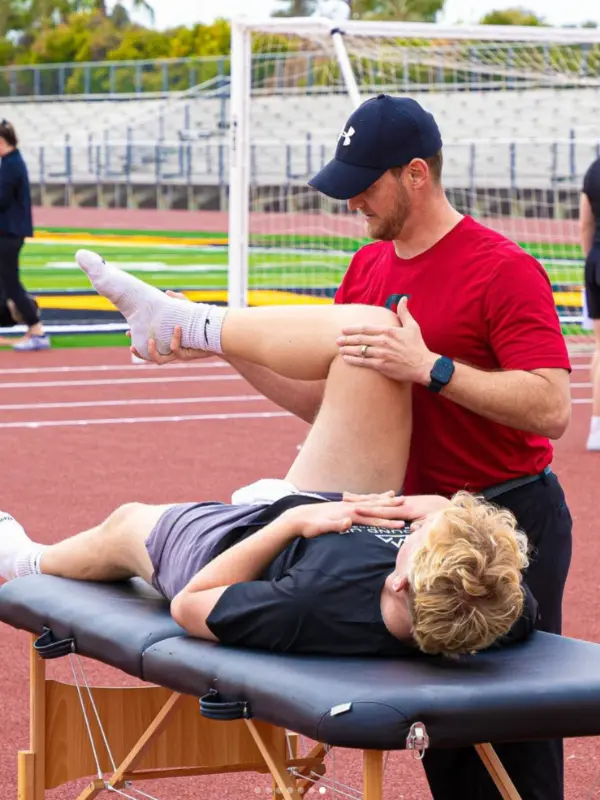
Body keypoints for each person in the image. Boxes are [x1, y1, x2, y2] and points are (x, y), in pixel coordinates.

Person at [135, 97, 573, 800]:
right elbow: (323, 404)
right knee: (441, 729)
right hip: (409, 527)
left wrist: (431, 368)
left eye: (365, 184)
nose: (351, 201)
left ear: (417, 175)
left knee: (514, 734)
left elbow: (552, 408)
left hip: (506, 518)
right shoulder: (367, 266)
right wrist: (226, 352)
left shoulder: (504, 268)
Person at [0, 259, 537, 658]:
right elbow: (485, 561)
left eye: (421, 536)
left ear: (399, 583)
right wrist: (438, 512)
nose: (428, 521)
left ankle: (25, 561)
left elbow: (192, 604)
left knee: (124, 526)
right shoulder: (495, 604)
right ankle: (190, 325)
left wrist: (290, 523)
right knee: (377, 339)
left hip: (235, 542)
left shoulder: (311, 604)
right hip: (326, 501)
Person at [0, 119, 49, 352]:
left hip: (8, 233)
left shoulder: (11, 165)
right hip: (8, 231)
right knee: (6, 282)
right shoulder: (11, 162)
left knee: (11, 283)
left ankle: (37, 328)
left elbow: (2, 199)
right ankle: (30, 324)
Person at [579, 156, 600, 450]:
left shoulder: (594, 170)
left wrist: (590, 259)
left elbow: (585, 223)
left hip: (596, 261)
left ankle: (596, 425)